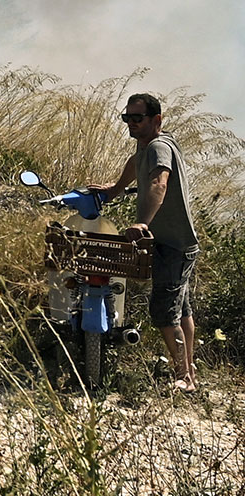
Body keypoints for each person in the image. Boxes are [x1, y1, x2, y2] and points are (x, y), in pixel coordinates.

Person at [89, 92, 200, 391]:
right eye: (127, 118)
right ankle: (188, 371)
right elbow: (135, 161)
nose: (131, 124)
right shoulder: (149, 146)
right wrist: (116, 188)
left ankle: (183, 377)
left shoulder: (159, 147)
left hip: (172, 245)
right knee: (182, 309)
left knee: (165, 312)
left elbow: (158, 181)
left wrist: (143, 222)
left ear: (156, 120)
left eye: (137, 118)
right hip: (178, 242)